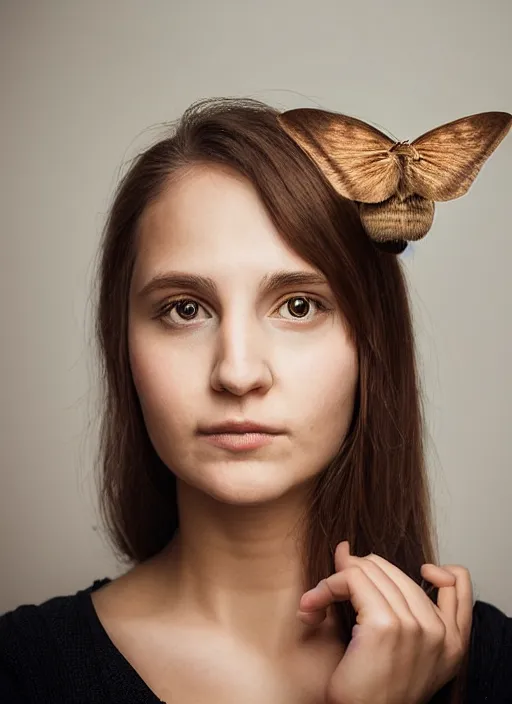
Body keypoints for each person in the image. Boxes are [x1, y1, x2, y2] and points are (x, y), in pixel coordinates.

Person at [0, 97, 511, 704]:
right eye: (185, 309)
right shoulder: (21, 674)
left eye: (298, 306)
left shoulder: (493, 671)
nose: (238, 373)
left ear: (373, 346)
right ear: (123, 348)